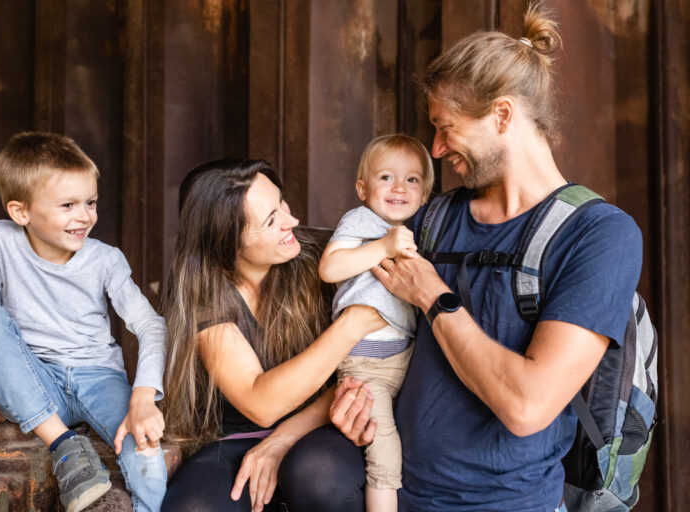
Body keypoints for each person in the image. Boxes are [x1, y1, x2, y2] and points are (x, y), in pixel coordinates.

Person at [329, 4, 643, 511]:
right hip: (396, 495)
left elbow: (527, 405)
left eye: (446, 128)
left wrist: (433, 294)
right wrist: (359, 399)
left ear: (501, 114)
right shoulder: (434, 218)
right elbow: (381, 340)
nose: (433, 149)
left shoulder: (600, 235)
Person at [0, 132, 168, 512]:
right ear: (21, 212)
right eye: (68, 205)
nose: (85, 216)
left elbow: (152, 325)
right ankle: (65, 445)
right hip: (37, 382)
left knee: (145, 447)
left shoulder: (106, 259)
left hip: (100, 377)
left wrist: (143, 396)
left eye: (90, 202)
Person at [159, 159, 385, 512]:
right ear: (226, 242)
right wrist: (352, 324)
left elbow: (368, 366)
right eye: (270, 220)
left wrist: (286, 437)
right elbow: (260, 403)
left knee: (318, 476)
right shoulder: (204, 292)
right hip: (237, 438)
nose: (291, 220)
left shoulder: (328, 257)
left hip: (326, 424)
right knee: (193, 509)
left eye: (282, 203)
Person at [318, 133, 433, 512]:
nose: (399, 187)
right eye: (386, 177)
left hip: (407, 356)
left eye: (412, 180)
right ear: (362, 188)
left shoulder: (421, 231)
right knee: (384, 454)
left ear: (426, 193)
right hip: (367, 365)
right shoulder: (362, 220)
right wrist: (382, 248)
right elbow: (330, 268)